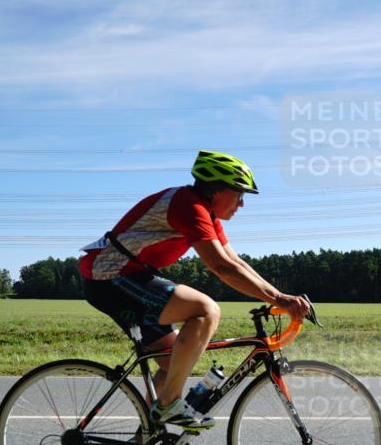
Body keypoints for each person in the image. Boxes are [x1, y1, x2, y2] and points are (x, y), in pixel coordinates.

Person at [78, 150, 310, 430]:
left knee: (172, 362)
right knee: (206, 310)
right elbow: (221, 267)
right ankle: (168, 405)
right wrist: (279, 299)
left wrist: (281, 297)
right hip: (110, 274)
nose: (241, 203)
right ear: (217, 189)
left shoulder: (207, 214)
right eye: (239, 194)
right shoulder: (188, 205)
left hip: (123, 276)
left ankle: (148, 439)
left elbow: (236, 262)